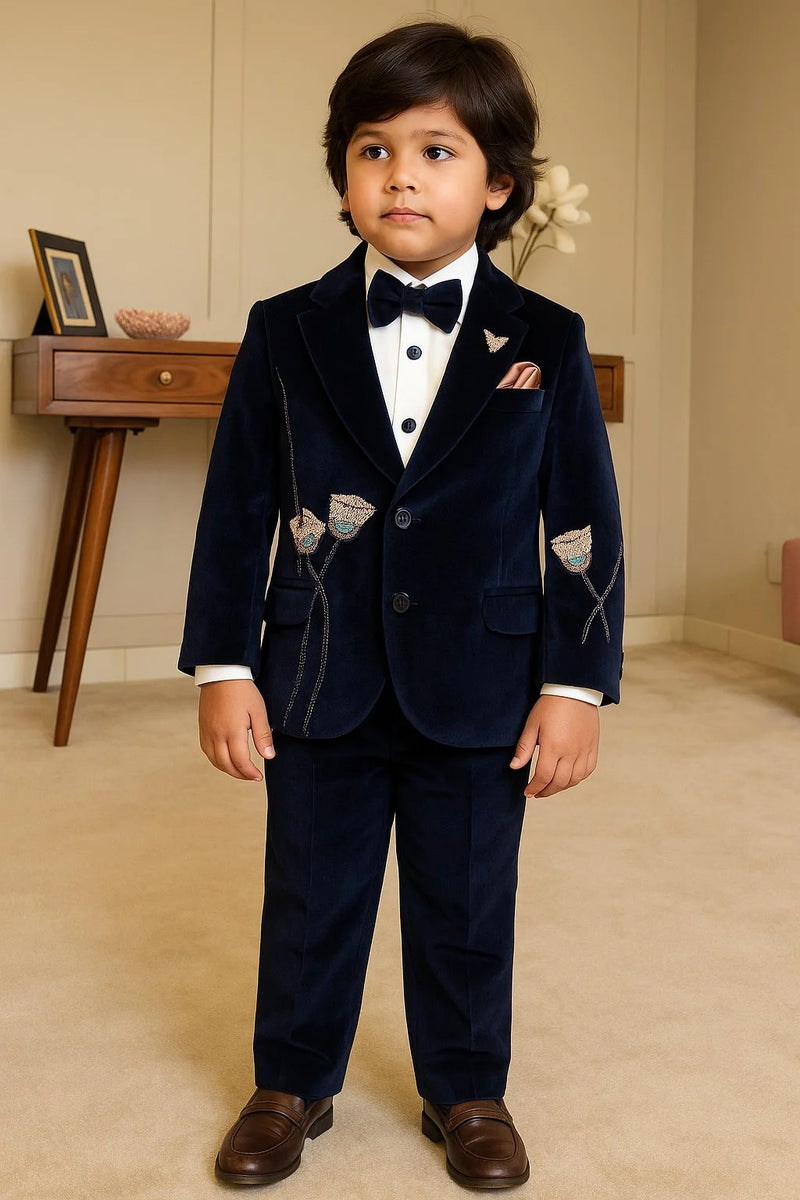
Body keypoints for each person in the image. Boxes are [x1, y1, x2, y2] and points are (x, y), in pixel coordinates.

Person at [178, 18, 624, 1191]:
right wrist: (225, 666)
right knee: (310, 893)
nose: (401, 175)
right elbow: (237, 509)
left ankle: (467, 1087)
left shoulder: (547, 341)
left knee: (468, 899)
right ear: (341, 176)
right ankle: (291, 1081)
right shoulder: (286, 331)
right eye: (373, 149)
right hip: (316, 675)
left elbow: (579, 525)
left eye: (436, 150)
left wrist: (572, 686)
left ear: (499, 185)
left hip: (480, 685)